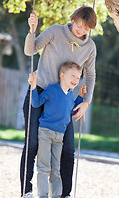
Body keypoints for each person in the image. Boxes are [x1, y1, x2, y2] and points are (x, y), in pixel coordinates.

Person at [20, 6, 97, 198]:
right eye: (79, 25)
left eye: (86, 28)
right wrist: (32, 30)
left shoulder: (90, 47)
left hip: (65, 101)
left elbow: (91, 75)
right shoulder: (55, 31)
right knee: (32, 144)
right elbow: (31, 50)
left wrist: (86, 102)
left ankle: (65, 194)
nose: (80, 30)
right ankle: (27, 191)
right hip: (40, 92)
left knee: (68, 148)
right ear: (73, 19)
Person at [28, 61, 86, 198]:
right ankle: (42, 195)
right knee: (44, 166)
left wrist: (81, 97)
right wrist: (33, 85)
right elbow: (36, 103)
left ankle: (56, 195)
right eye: (73, 76)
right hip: (45, 132)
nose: (76, 80)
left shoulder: (71, 95)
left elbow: (70, 111)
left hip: (60, 135)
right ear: (62, 75)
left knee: (56, 168)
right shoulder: (51, 89)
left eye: (78, 77)